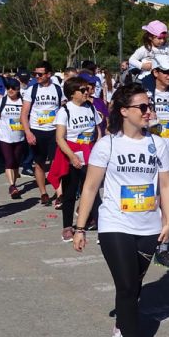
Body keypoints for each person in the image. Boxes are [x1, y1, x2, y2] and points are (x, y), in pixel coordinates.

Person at [72, 83, 169, 337]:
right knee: (127, 285)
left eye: (149, 106)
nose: (148, 111)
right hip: (114, 223)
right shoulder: (107, 144)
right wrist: (80, 228)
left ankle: (122, 323)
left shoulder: (158, 144)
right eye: (142, 107)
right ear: (124, 111)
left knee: (135, 284)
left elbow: (165, 185)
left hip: (148, 226)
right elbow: (91, 187)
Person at [142, 55, 169, 269]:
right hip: (148, 156)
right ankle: (145, 240)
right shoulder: (143, 95)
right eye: (166, 71)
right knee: (150, 201)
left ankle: (163, 249)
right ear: (155, 73)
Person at [49, 77, 103, 242]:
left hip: (89, 152)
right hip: (71, 154)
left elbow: (97, 129)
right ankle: (67, 227)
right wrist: (72, 157)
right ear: (73, 94)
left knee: (92, 190)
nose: (88, 92)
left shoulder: (90, 107)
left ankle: (100, 225)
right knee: (70, 192)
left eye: (88, 89)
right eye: (83, 90)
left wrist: (99, 148)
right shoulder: (64, 111)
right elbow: (59, 138)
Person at [20, 61, 64, 205]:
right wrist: (28, 133)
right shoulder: (31, 90)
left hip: (54, 131)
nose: (36, 76)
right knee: (39, 164)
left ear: (48, 74)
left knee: (55, 163)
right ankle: (43, 193)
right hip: (37, 131)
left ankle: (60, 193)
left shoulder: (58, 89)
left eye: (40, 74)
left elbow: (64, 109)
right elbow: (24, 114)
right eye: (35, 74)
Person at [0, 79, 25, 199]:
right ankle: (12, 186)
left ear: (18, 89)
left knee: (16, 163)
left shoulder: (23, 101)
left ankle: (14, 182)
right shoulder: (1, 101)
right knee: (9, 161)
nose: (10, 90)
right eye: (8, 88)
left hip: (20, 137)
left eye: (13, 88)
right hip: (5, 137)